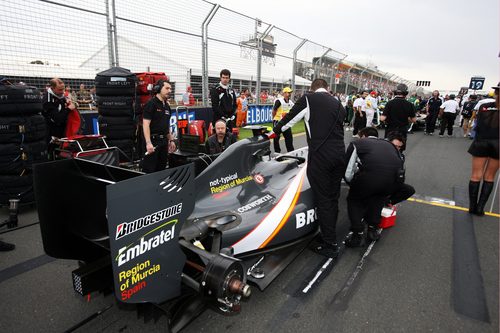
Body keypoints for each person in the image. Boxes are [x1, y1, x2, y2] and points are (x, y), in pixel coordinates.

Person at [271, 79, 345, 258]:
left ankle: (330, 244)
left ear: (312, 88)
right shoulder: (337, 102)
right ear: (327, 88)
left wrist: (273, 133)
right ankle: (329, 235)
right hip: (339, 153)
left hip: (321, 155)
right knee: (333, 197)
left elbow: (288, 120)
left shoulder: (308, 99)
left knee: (324, 199)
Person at [344, 127, 404, 247]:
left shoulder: (357, 143)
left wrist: (352, 183)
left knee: (354, 200)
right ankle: (372, 230)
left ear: (363, 136)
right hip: (392, 181)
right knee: (377, 199)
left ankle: (357, 233)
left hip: (370, 179)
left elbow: (348, 170)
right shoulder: (389, 145)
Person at [467, 83, 499, 216]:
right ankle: (480, 208)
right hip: (498, 144)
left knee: (475, 175)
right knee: (490, 176)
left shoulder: (484, 106)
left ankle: (472, 207)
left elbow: (477, 125)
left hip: (482, 141)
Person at [142, 79, 176, 173]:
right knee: (150, 171)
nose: (170, 91)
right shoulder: (151, 104)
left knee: (161, 170)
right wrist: (148, 143)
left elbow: (166, 125)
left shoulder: (167, 106)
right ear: (158, 89)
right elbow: (145, 124)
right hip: (153, 142)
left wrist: (171, 140)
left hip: (164, 142)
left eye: (170, 89)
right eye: (167, 88)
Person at [42, 78, 76, 157]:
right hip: (52, 134)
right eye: (60, 90)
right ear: (52, 88)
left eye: (63, 89)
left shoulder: (60, 95)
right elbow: (58, 119)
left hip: (62, 132)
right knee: (53, 155)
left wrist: (67, 101)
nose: (62, 92)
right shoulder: (48, 100)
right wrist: (68, 109)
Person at [380, 84, 416, 149]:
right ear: (406, 93)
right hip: (402, 130)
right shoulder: (409, 104)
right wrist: (407, 119)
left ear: (396, 92)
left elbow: (382, 118)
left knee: (388, 147)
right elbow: (414, 120)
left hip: (390, 129)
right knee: (400, 148)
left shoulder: (390, 103)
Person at [386, 131, 416, 205]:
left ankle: (387, 203)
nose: (397, 148)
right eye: (395, 146)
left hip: (389, 183)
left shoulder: (400, 157)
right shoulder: (377, 152)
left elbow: (400, 177)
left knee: (409, 190)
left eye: (399, 147)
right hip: (375, 182)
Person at [272, 87, 295, 153]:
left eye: (290, 92)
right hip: (278, 121)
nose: (290, 94)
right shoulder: (279, 101)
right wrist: (274, 118)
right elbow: (274, 110)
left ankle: (290, 152)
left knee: (289, 137)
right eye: (288, 92)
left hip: (286, 122)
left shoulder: (290, 102)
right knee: (276, 137)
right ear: (284, 93)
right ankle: (277, 152)